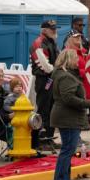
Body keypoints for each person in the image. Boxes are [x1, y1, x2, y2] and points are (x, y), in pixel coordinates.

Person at [49, 49, 90, 180]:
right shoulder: (65, 76)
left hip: (67, 116)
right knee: (67, 151)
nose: (77, 61)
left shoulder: (60, 74)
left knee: (68, 150)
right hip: (67, 117)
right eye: (75, 58)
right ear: (68, 60)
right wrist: (88, 103)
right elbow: (68, 98)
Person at [30, 19, 60, 147]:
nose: (55, 31)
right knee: (43, 110)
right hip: (44, 80)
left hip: (52, 78)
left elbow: (57, 60)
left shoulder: (51, 42)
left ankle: (48, 138)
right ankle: (40, 140)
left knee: (52, 109)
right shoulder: (38, 43)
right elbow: (45, 67)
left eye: (55, 28)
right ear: (44, 30)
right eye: (52, 29)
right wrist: (58, 71)